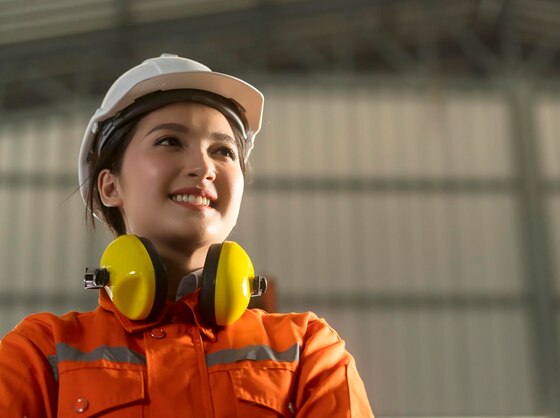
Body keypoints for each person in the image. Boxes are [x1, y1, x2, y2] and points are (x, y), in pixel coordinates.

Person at [0, 54, 374, 417]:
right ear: (110, 186)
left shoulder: (305, 350)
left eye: (224, 151)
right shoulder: (42, 354)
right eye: (169, 142)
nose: (204, 167)